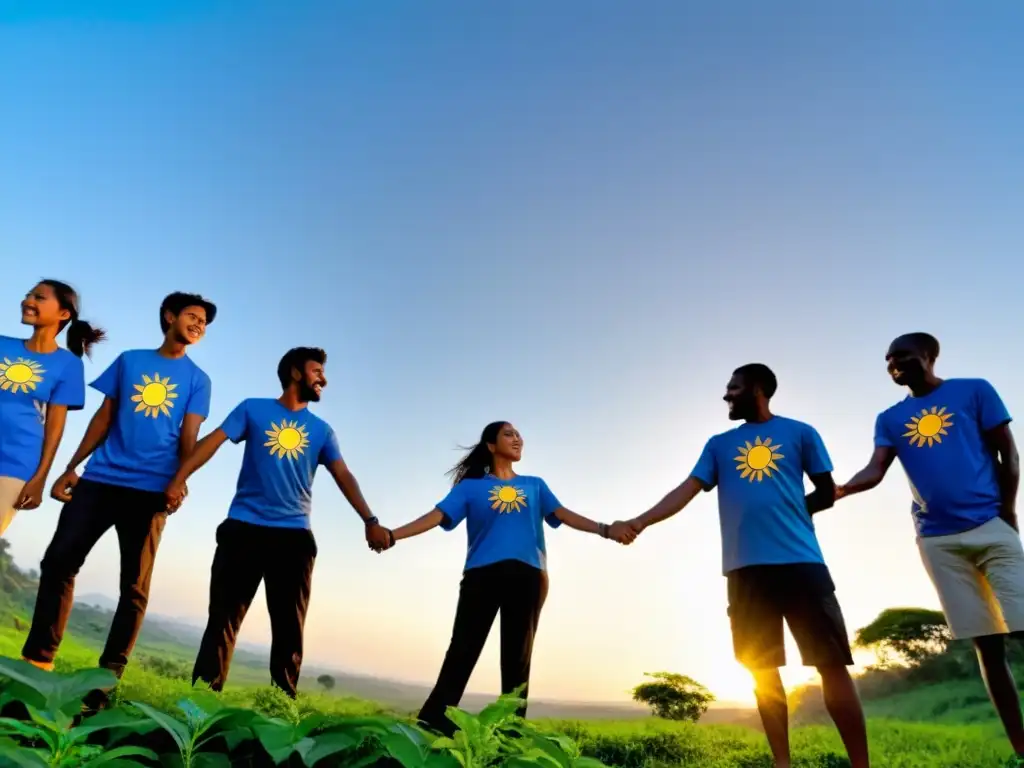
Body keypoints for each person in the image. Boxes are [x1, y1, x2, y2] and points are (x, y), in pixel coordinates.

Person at [623, 364, 869, 768]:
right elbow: (685, 490)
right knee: (762, 670)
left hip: (802, 563)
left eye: (732, 388)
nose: (726, 395)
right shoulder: (719, 445)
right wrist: (639, 522)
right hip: (745, 570)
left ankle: (862, 764)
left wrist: (792, 510)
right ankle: (782, 763)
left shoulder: (801, 433)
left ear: (757, 389)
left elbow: (826, 491)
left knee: (831, 664)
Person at [383, 421, 637, 736]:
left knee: (517, 658)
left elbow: (563, 514)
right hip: (481, 575)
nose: (517, 438)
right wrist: (393, 535)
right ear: (491, 445)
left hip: (528, 575)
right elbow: (436, 516)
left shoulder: (535, 485)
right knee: (463, 648)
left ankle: (511, 731)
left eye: (518, 434)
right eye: (508, 433)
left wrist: (605, 529)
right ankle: (432, 721)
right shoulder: (471, 487)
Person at [836, 332, 1023, 758]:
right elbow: (876, 469)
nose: (893, 364)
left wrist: (1008, 515)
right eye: (887, 359)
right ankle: (1021, 750)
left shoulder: (974, 390)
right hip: (938, 541)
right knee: (986, 646)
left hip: (992, 525)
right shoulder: (889, 418)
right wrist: (842, 490)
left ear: (929, 355)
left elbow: (1007, 454)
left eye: (901, 355)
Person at [167, 346, 390, 698]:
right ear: (296, 373)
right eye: (317, 372)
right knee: (222, 621)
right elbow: (213, 442)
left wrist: (370, 520)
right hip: (243, 529)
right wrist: (179, 479)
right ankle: (198, 708)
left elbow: (343, 474)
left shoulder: (322, 431)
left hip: (294, 539)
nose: (324, 380)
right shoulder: (252, 409)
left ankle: (280, 713)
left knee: (289, 631)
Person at [21, 291, 216, 687]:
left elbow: (189, 436)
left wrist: (179, 483)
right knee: (58, 563)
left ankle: (106, 680)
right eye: (192, 316)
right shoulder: (130, 361)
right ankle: (38, 661)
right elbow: (103, 416)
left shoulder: (199, 379)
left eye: (204, 323)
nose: (198, 325)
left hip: (151, 492)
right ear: (169, 316)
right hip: (100, 480)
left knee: (133, 588)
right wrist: (71, 467)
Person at [0, 279, 105, 535]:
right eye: (28, 295)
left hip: (14, 466)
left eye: (39, 297)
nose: (28, 301)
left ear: (63, 313)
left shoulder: (68, 364)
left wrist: (40, 479)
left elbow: (55, 428)